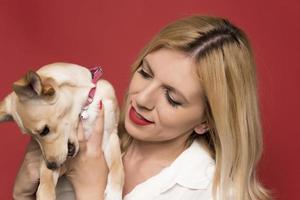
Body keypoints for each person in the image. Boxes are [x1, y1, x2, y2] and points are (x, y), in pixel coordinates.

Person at [12, 15, 271, 200]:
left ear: (206, 122)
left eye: (172, 98)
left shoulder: (214, 193)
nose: (143, 98)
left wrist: (92, 190)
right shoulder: (84, 140)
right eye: (146, 73)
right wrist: (23, 194)